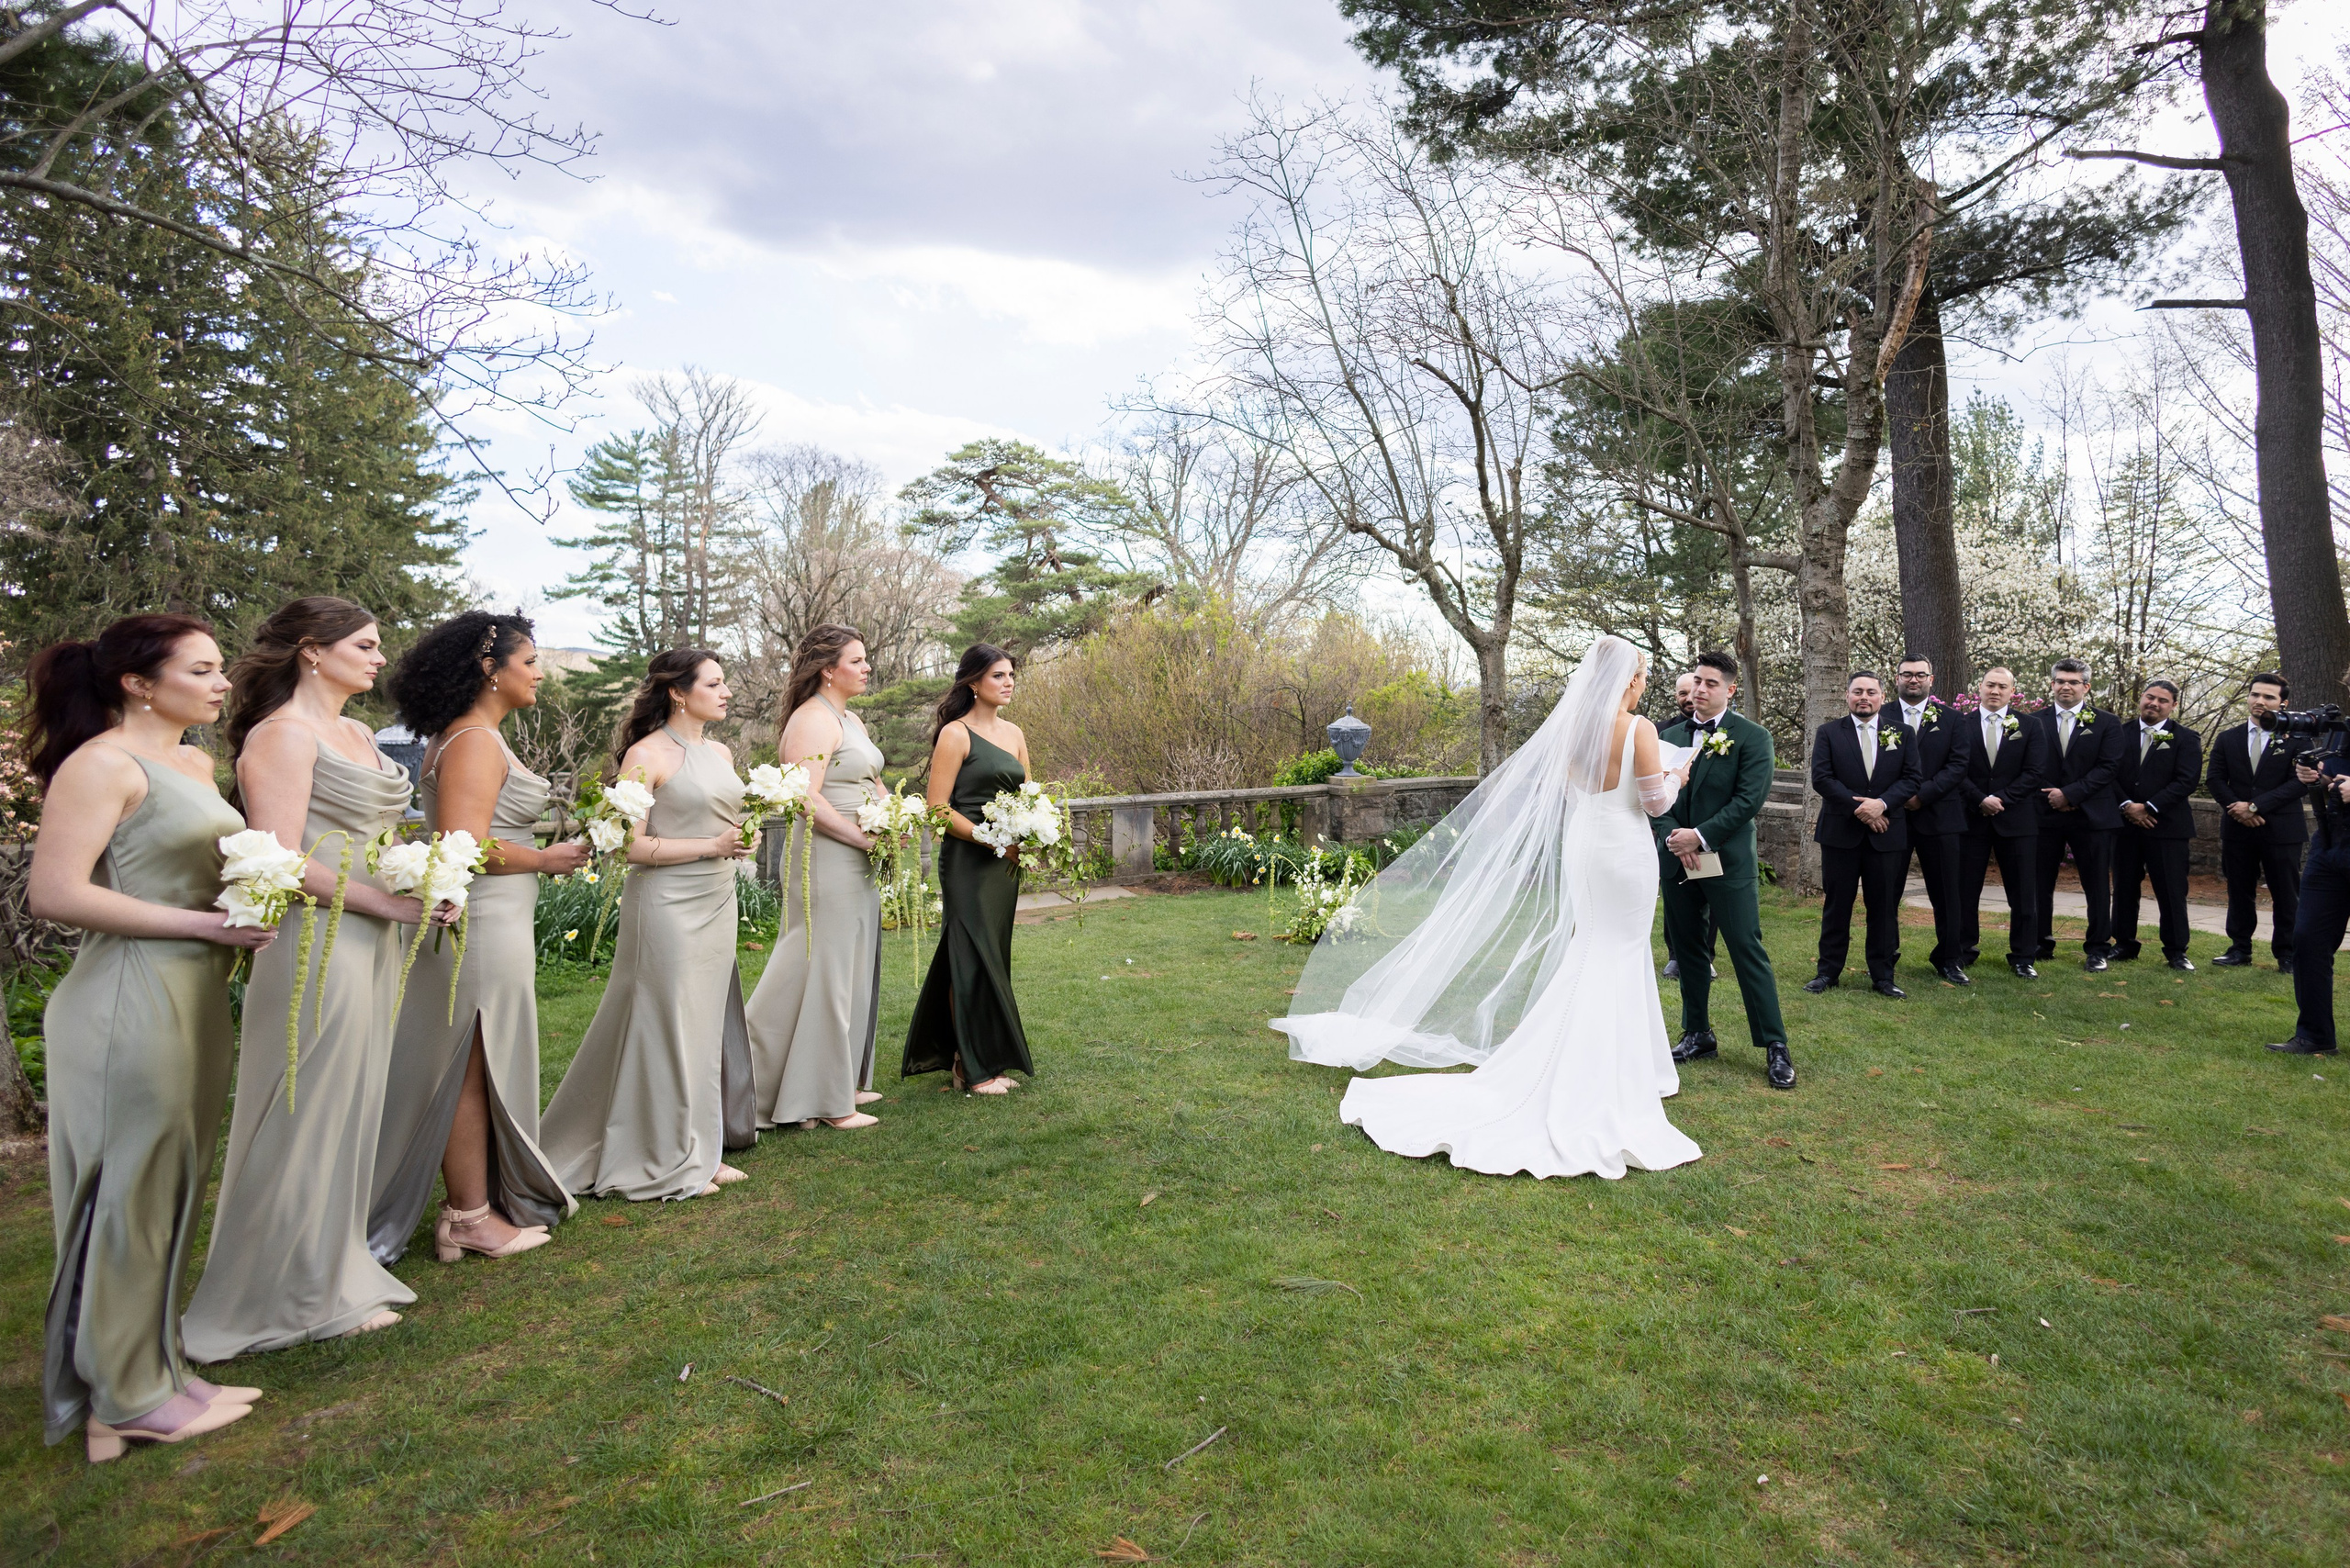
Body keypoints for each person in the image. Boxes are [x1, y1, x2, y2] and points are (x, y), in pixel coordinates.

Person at [1274, 636, 1702, 1177]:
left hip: (1587, 844)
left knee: (1594, 947)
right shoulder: (1639, 730)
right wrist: (1676, 774)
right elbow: (1654, 804)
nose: (1643, 687)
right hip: (1623, 849)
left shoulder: (1572, 729)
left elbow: (1576, 791)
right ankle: (1605, 1076)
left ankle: (1612, 1067)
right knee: (1617, 950)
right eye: (1641, 678)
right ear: (1628, 682)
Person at [26, 617, 271, 1462]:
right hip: (127, 997)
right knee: (128, 1191)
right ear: (138, 682)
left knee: (170, 1183)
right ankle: (120, 1397)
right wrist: (200, 926)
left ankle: (157, 1368)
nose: (221, 683)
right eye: (201, 669)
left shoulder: (194, 764)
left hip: (193, 993)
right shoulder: (99, 765)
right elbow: (53, 893)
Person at [183, 598, 430, 1360]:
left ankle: (332, 1265)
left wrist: (420, 876)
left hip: (375, 935)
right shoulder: (280, 737)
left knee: (354, 1099)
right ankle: (278, 1288)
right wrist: (385, 901)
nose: (379, 657)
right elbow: (283, 858)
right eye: (364, 644)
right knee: (306, 1099)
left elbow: (379, 832)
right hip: (318, 940)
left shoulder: (356, 732)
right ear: (312, 653)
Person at [370, 611, 586, 1265]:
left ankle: (485, 1199)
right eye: (529, 662)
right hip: (481, 921)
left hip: (497, 919)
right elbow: (465, 846)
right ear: (490, 671)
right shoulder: (471, 741)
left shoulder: (473, 736)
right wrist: (546, 859)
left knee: (475, 1061)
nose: (540, 673)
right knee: (469, 1064)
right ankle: (467, 1216)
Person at [541, 650, 759, 1199]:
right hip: (665, 903)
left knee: (703, 1025)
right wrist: (711, 845)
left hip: (717, 898)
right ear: (679, 693)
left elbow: (721, 819)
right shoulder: (646, 754)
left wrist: (738, 837)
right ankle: (661, 1154)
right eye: (715, 683)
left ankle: (699, 1146)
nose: (727, 691)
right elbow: (629, 845)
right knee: (665, 1023)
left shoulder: (722, 750)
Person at [744, 624, 888, 1130]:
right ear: (829, 669)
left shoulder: (851, 719)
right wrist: (860, 837)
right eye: (858, 659)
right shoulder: (810, 720)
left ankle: (830, 1082)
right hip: (827, 856)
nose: (867, 666)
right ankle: (801, 1096)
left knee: (848, 968)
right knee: (820, 966)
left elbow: (872, 779)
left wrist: (895, 817)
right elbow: (806, 799)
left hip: (860, 854)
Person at [1656, 651, 1794, 1089]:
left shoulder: (1753, 738)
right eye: (1697, 680)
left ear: (1730, 690)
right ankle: (1697, 1033)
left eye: (1711, 683)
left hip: (1726, 861)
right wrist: (1675, 837)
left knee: (1744, 946)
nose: (1700, 689)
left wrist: (1701, 835)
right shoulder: (1668, 736)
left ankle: (1775, 1045)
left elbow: (1748, 801)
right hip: (1676, 858)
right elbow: (1652, 794)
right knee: (1688, 947)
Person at [902, 644, 1033, 1094]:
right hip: (969, 862)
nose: (1009, 682)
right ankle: (972, 1069)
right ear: (973, 683)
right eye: (998, 675)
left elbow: (1028, 798)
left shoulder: (1015, 733)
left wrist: (1033, 833)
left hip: (1006, 866)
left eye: (1011, 674)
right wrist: (991, 839)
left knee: (991, 956)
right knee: (970, 956)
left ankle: (977, 1059)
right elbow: (936, 810)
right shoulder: (955, 735)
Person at [1806, 672, 1921, 997]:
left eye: (1871, 692)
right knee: (1837, 904)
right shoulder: (1829, 732)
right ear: (1847, 696)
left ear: (1882, 697)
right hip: (1840, 833)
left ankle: (1883, 976)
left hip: (1887, 834)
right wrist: (1864, 810)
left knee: (1884, 906)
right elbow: (1822, 778)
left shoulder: (1903, 733)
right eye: (1858, 692)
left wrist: (1882, 804)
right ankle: (1827, 972)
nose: (1864, 697)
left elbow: (1912, 779)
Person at [2025, 658, 2125, 971]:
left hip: (2092, 815)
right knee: (2039, 883)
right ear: (2052, 684)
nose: (2066, 686)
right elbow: (2028, 766)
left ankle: (2097, 948)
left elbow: (2109, 767)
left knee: (2095, 884)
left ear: (2086, 686)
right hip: (2044, 813)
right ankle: (2040, 942)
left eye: (2073, 681)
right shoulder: (2033, 721)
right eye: (2060, 680)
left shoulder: (2107, 723)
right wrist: (2053, 796)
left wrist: (2070, 794)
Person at [2207, 672, 2306, 972]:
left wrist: (2255, 806)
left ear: (2283, 703)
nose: (2260, 701)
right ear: (2248, 697)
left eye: (2269, 697)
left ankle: (2287, 955)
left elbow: (2298, 783)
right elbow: (2214, 779)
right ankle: (2239, 949)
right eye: (2255, 695)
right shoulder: (2228, 738)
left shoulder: (2298, 740)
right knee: (2239, 891)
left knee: (2286, 894)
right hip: (2237, 829)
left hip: (2281, 830)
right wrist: (2237, 810)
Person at [1957, 666, 2050, 979]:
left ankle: (2024, 957)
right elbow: (1955, 768)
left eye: (2002, 686)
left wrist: (2002, 799)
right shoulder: (1961, 724)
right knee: (1965, 890)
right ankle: (1962, 951)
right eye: (1990, 685)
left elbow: (2035, 772)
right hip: (1971, 819)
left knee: (2023, 893)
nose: (1995, 691)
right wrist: (1979, 798)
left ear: (2012, 691)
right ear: (1979, 688)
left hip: (2017, 820)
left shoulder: (2031, 726)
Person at [1889, 655, 1975, 983]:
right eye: (1907, 675)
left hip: (1940, 817)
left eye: (1920, 675)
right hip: (1893, 818)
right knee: (1887, 891)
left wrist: (1921, 795)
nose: (1914, 680)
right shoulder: (1881, 715)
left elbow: (1958, 766)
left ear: (1931, 679)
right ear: (1896, 678)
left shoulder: (1953, 720)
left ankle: (1949, 959)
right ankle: (1885, 956)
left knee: (1947, 893)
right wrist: (1899, 798)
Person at [2111, 680, 2203, 971]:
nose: (2154, 703)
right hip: (2125, 825)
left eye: (2163, 700)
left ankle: (2176, 951)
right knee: (2124, 887)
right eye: (2150, 697)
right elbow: (2107, 773)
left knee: (2171, 890)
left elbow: (2186, 780)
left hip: (2168, 828)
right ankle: (2124, 944)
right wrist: (2127, 805)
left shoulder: (2186, 738)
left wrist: (2149, 807)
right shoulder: (2118, 734)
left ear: (2173, 705)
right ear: (2142, 698)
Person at [2273, 745, 2349, 1056]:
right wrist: (2317, 778)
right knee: (2308, 940)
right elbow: (2333, 777)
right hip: (2331, 844)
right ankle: (2315, 1035)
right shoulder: (2342, 733)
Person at [1662, 670, 1715, 983]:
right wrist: (1673, 833)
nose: (1688, 697)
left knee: (1709, 895)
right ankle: (1675, 955)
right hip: (1674, 830)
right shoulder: (1661, 733)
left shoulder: (1725, 731)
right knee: (1675, 896)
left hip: (1708, 831)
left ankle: (1705, 955)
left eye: (1690, 691)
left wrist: (1701, 835)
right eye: (1682, 693)